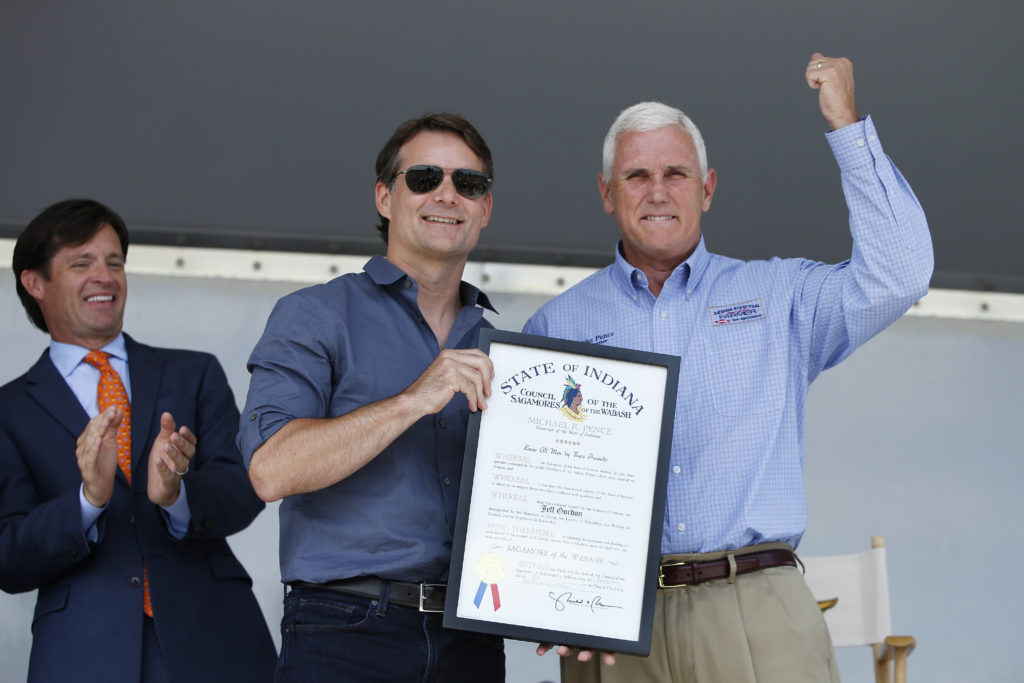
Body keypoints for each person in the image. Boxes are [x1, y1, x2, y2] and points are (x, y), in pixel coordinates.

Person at [523, 53, 934, 682]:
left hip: (757, 606)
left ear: (707, 188)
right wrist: (543, 588)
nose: (657, 191)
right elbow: (536, 479)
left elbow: (901, 273)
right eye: (635, 176)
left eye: (676, 173)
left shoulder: (780, 295)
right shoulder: (556, 326)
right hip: (617, 619)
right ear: (607, 193)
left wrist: (847, 130)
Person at [238, 112, 505, 682]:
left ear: (485, 209)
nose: (447, 195)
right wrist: (414, 399)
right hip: (345, 629)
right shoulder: (314, 315)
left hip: (472, 639)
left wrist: (570, 605)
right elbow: (271, 470)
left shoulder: (506, 351)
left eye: (469, 184)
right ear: (385, 197)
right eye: (425, 177)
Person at [0, 199, 277, 682]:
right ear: (35, 282)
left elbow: (247, 487)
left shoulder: (193, 372)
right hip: (84, 652)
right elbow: (9, 557)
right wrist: (88, 500)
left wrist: (176, 496)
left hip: (215, 640)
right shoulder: (10, 409)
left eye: (114, 262)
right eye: (81, 263)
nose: (104, 276)